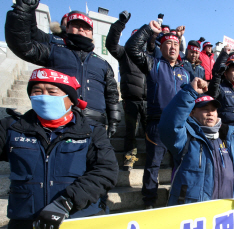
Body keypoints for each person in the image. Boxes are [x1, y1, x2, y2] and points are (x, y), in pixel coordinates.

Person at [1, 68, 118, 229]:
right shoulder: (11, 128)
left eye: (52, 91)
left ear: (69, 99)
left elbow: (106, 171)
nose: (44, 96)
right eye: (37, 91)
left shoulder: (91, 132)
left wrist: (66, 202)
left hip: (76, 224)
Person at [5, 6, 121, 136]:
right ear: (67, 28)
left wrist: (114, 121)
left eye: (86, 27)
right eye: (76, 25)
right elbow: (22, 46)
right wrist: (22, 11)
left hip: (95, 123)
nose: (81, 29)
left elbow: (112, 95)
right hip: (60, 121)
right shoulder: (53, 50)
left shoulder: (102, 63)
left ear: (91, 33)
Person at [125, 20, 190, 209]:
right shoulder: (153, 64)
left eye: (176, 44)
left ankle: (179, 197)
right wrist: (148, 30)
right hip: (156, 124)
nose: (172, 47)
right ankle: (149, 202)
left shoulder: (185, 73)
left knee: (182, 164)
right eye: (168, 43)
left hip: (180, 126)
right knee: (153, 165)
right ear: (160, 47)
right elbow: (131, 49)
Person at [158, 77, 234, 206]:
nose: (210, 113)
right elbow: (169, 125)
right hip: (193, 215)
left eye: (213, 110)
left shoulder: (226, 138)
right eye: (204, 109)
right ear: (192, 113)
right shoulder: (185, 137)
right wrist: (190, 92)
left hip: (223, 212)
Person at [106, 11, 147, 171]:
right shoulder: (123, 53)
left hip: (148, 101)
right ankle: (129, 159)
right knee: (130, 132)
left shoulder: (147, 57)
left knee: (150, 132)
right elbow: (110, 44)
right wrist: (120, 24)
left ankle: (153, 157)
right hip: (130, 100)